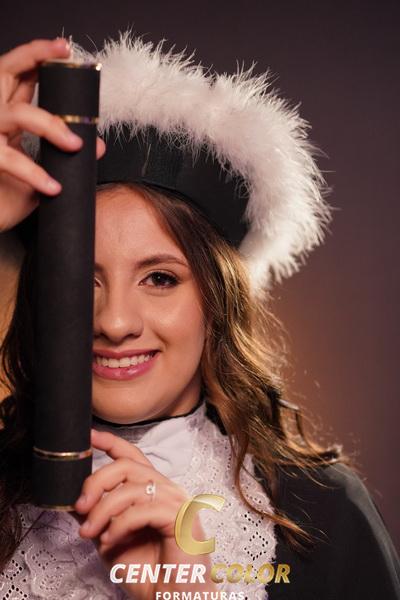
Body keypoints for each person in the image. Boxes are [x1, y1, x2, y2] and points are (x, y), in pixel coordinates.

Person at [0, 33, 399, 600]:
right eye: (78, 279)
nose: (115, 323)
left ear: (216, 299)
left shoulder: (326, 515)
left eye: (160, 278)